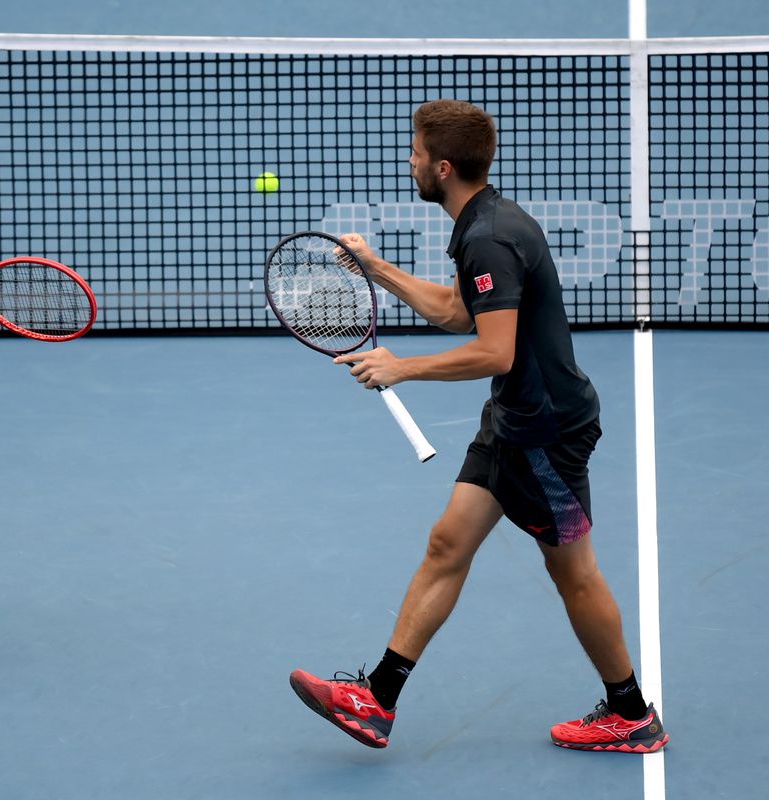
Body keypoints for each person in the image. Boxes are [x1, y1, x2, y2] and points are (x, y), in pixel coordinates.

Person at [288, 99, 669, 753]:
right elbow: (459, 311)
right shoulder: (480, 224)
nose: (407, 162)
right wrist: (375, 267)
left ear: (441, 165)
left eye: (413, 154)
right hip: (514, 420)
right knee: (447, 545)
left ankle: (631, 712)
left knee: (573, 573)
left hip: (546, 435)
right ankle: (376, 699)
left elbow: (497, 351)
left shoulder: (489, 236)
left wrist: (401, 369)